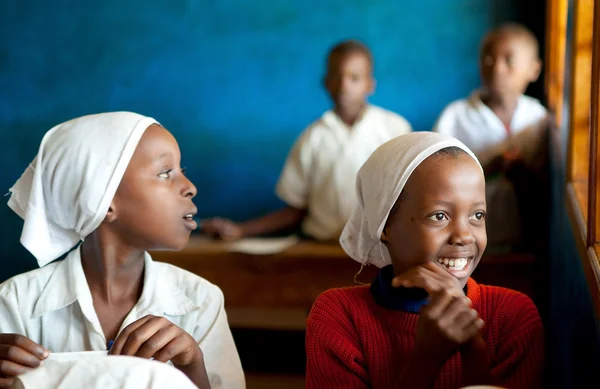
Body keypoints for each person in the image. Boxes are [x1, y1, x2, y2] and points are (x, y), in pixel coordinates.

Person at [0, 112, 245, 389]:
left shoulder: (201, 301)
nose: (190, 188)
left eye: (182, 173)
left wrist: (191, 364)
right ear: (101, 202)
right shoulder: (14, 305)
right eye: (166, 173)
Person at [305, 132, 544, 388]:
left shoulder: (512, 315)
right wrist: (426, 358)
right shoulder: (339, 316)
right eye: (439, 216)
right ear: (384, 225)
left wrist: (472, 347)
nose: (464, 236)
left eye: (477, 215)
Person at [202, 39, 412, 242]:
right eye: (337, 77)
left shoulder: (395, 129)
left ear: (370, 85)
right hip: (320, 249)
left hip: (379, 251)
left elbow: (411, 197)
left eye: (354, 78)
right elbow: (295, 210)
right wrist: (241, 230)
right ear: (326, 83)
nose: (344, 86)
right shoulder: (312, 138)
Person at [434, 23, 549, 250]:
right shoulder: (455, 117)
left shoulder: (539, 119)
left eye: (509, 60)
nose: (497, 69)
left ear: (534, 70)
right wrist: (485, 168)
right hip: (463, 244)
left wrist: (521, 174)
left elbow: (546, 186)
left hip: (525, 244)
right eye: (488, 59)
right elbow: (435, 182)